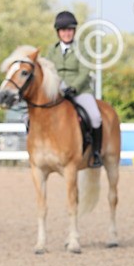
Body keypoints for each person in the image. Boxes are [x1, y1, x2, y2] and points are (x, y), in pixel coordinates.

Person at [47, 11, 103, 168]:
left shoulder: (82, 49)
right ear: (58, 32)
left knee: (95, 117)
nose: (67, 33)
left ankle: (96, 153)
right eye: (64, 30)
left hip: (79, 91)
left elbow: (85, 71)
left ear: (74, 31)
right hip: (57, 91)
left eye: (70, 30)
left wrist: (74, 88)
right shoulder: (52, 51)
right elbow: (48, 70)